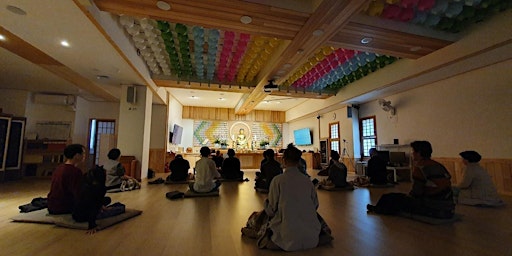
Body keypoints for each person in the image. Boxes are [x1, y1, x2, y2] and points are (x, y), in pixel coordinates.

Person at [244, 143, 332, 251]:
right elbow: (315, 205)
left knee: (260, 217)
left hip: (286, 234)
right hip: (311, 236)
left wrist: (266, 203)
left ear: (284, 160)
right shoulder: (307, 181)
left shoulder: (278, 180)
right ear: (299, 160)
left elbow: (271, 211)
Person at [367, 141, 455, 219]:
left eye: (413, 151)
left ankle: (377, 209)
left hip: (433, 205)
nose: (412, 154)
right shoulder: (438, 165)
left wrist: (406, 198)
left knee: (390, 198)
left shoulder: (420, 167)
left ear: (419, 153)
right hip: (448, 205)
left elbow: (416, 192)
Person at [72, 165, 112, 234]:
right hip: (85, 215)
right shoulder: (99, 189)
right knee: (120, 207)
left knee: (107, 199)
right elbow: (93, 207)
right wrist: (92, 225)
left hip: (75, 213)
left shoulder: (84, 182)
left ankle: (102, 207)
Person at [47, 144, 86, 214]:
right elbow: (78, 193)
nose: (84, 156)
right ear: (77, 155)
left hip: (51, 205)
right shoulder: (75, 171)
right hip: (65, 206)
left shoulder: (58, 168)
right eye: (83, 153)